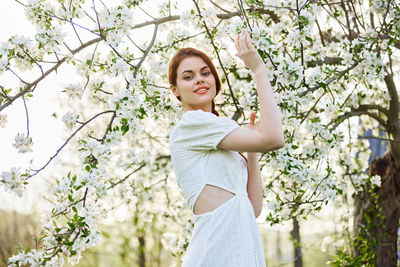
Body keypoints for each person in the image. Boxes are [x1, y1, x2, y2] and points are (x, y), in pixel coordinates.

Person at [168, 30, 284, 266]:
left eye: (205, 73)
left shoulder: (220, 131)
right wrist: (259, 70)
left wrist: (252, 152)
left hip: (241, 252)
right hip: (215, 254)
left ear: (215, 80)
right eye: (188, 77)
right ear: (175, 90)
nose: (199, 79)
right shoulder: (192, 124)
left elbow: (252, 208)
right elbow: (274, 139)